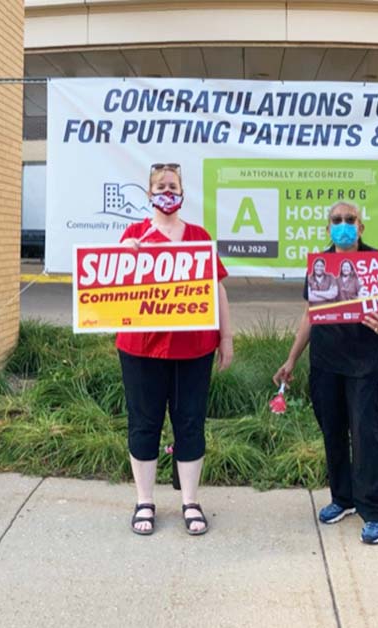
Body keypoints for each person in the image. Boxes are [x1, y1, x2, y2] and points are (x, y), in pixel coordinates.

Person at [119, 163, 233, 536]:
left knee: (190, 423)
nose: (167, 192)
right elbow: (111, 288)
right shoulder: (133, 235)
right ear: (149, 193)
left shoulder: (199, 236)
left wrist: (226, 338)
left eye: (173, 185)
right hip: (141, 349)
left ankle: (190, 501)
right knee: (144, 423)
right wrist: (123, 255)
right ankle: (144, 501)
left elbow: (218, 289)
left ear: (182, 192)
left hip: (194, 348)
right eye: (161, 186)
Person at [274, 201, 378, 545]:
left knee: (366, 436)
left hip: (367, 367)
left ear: (361, 226)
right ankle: (342, 498)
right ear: (328, 228)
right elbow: (310, 315)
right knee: (333, 433)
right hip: (326, 365)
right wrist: (291, 359)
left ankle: (374, 511)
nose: (344, 225)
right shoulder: (320, 266)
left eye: (350, 219)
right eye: (337, 220)